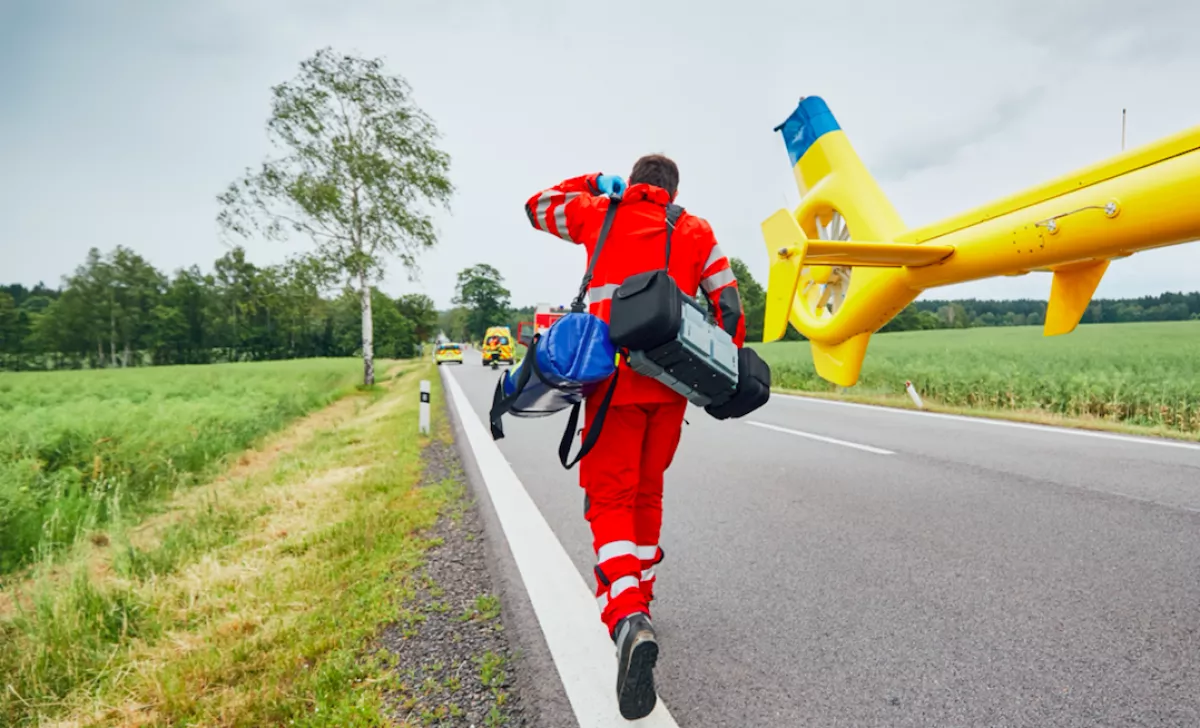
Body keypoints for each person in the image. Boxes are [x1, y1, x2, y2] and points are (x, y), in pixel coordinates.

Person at [523, 154, 746, 720]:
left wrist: (592, 183)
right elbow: (728, 304)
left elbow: (537, 206)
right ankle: (641, 595)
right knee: (647, 494)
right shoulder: (696, 230)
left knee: (610, 500)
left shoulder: (602, 212)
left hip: (611, 386)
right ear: (672, 191)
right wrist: (718, 368)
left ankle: (626, 617)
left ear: (634, 182)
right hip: (670, 390)